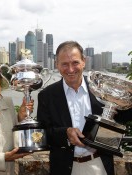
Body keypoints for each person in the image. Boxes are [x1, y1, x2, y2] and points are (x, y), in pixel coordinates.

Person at [37, 41, 132, 175]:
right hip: (65, 168)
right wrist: (66, 133)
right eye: (64, 64)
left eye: (75, 62)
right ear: (56, 64)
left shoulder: (102, 88)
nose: (70, 69)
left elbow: (124, 117)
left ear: (84, 61)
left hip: (99, 165)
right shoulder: (46, 95)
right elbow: (42, 134)